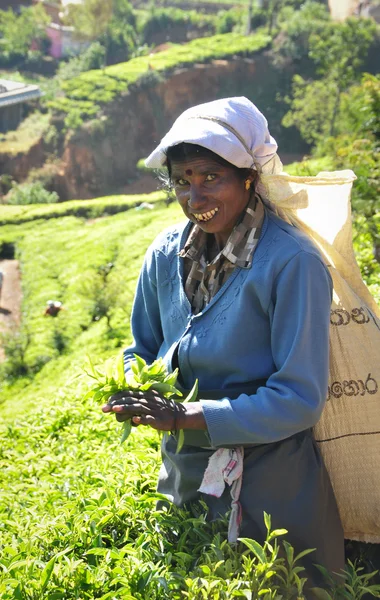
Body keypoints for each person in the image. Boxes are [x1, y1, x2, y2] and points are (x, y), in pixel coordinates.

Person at [102, 97, 345, 587]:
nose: (194, 197)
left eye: (211, 177)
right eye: (182, 179)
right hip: (186, 483)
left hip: (271, 498)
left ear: (249, 178)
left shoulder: (291, 263)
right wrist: (135, 386)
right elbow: (141, 347)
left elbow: (299, 398)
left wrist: (186, 417)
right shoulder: (165, 254)